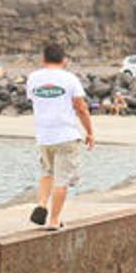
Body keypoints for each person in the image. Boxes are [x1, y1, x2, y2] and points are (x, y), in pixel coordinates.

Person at [25, 43, 94, 231]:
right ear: (64, 60)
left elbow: (35, 101)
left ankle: (41, 204)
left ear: (43, 59)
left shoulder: (33, 79)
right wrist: (90, 132)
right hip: (66, 135)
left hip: (44, 136)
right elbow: (81, 108)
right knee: (62, 180)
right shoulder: (69, 79)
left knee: (47, 172)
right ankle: (54, 220)